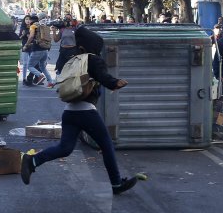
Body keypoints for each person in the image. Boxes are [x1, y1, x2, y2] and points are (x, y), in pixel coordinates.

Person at [21, 26, 138, 195]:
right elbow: (104, 77)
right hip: (86, 112)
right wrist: (115, 82)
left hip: (70, 111)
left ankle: (32, 161)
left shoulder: (71, 59)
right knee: (106, 145)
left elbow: (60, 73)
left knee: (65, 148)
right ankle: (116, 183)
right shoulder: (93, 59)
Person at [23, 12, 54, 88]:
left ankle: (40, 76)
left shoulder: (33, 26)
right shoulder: (45, 25)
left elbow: (31, 37)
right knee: (42, 67)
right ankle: (50, 82)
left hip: (37, 49)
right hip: (45, 49)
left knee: (30, 66)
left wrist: (26, 45)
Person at [19, 15, 33, 86]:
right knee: (25, 64)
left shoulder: (33, 27)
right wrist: (23, 34)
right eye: (26, 19)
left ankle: (31, 78)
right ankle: (24, 79)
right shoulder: (22, 28)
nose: (28, 21)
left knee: (32, 64)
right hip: (25, 47)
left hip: (32, 47)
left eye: (29, 19)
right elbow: (19, 37)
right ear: (24, 20)